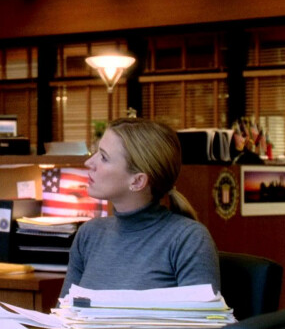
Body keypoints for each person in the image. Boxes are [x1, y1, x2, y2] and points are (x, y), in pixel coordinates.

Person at [60, 118, 220, 298]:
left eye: (104, 157)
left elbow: (200, 315)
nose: (89, 162)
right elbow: (64, 312)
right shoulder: (89, 234)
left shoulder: (189, 239)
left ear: (137, 181)